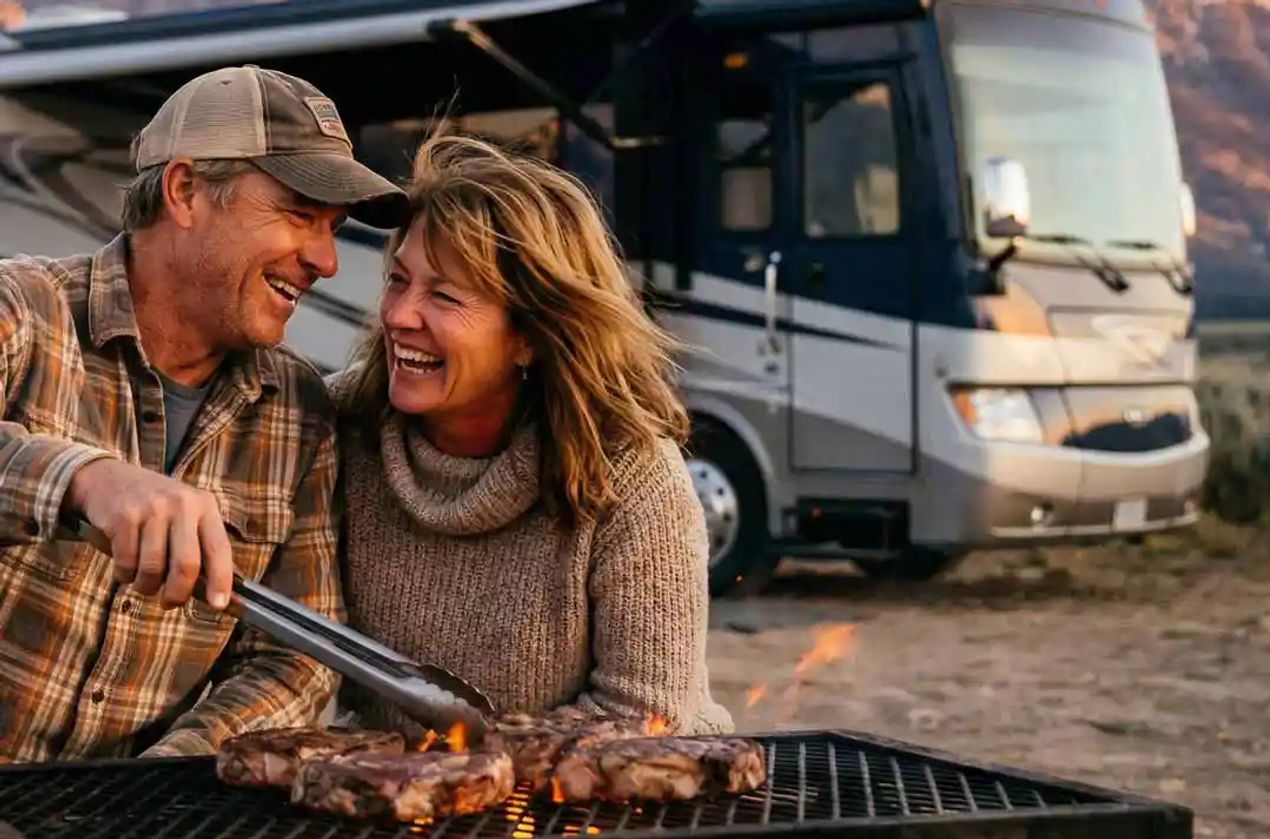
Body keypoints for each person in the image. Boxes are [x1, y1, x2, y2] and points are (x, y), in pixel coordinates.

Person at [0, 65, 407, 761]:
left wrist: (161, 781)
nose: (326, 261)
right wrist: (85, 479)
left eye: (333, 228)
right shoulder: (22, 309)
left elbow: (296, 658)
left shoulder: (301, 412)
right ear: (185, 190)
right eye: (298, 213)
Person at [332, 134, 734, 735]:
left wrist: (440, 775)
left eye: (443, 295)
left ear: (531, 336)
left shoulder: (628, 471)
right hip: (396, 807)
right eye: (397, 279)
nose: (397, 315)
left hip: (587, 814)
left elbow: (646, 718)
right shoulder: (339, 424)